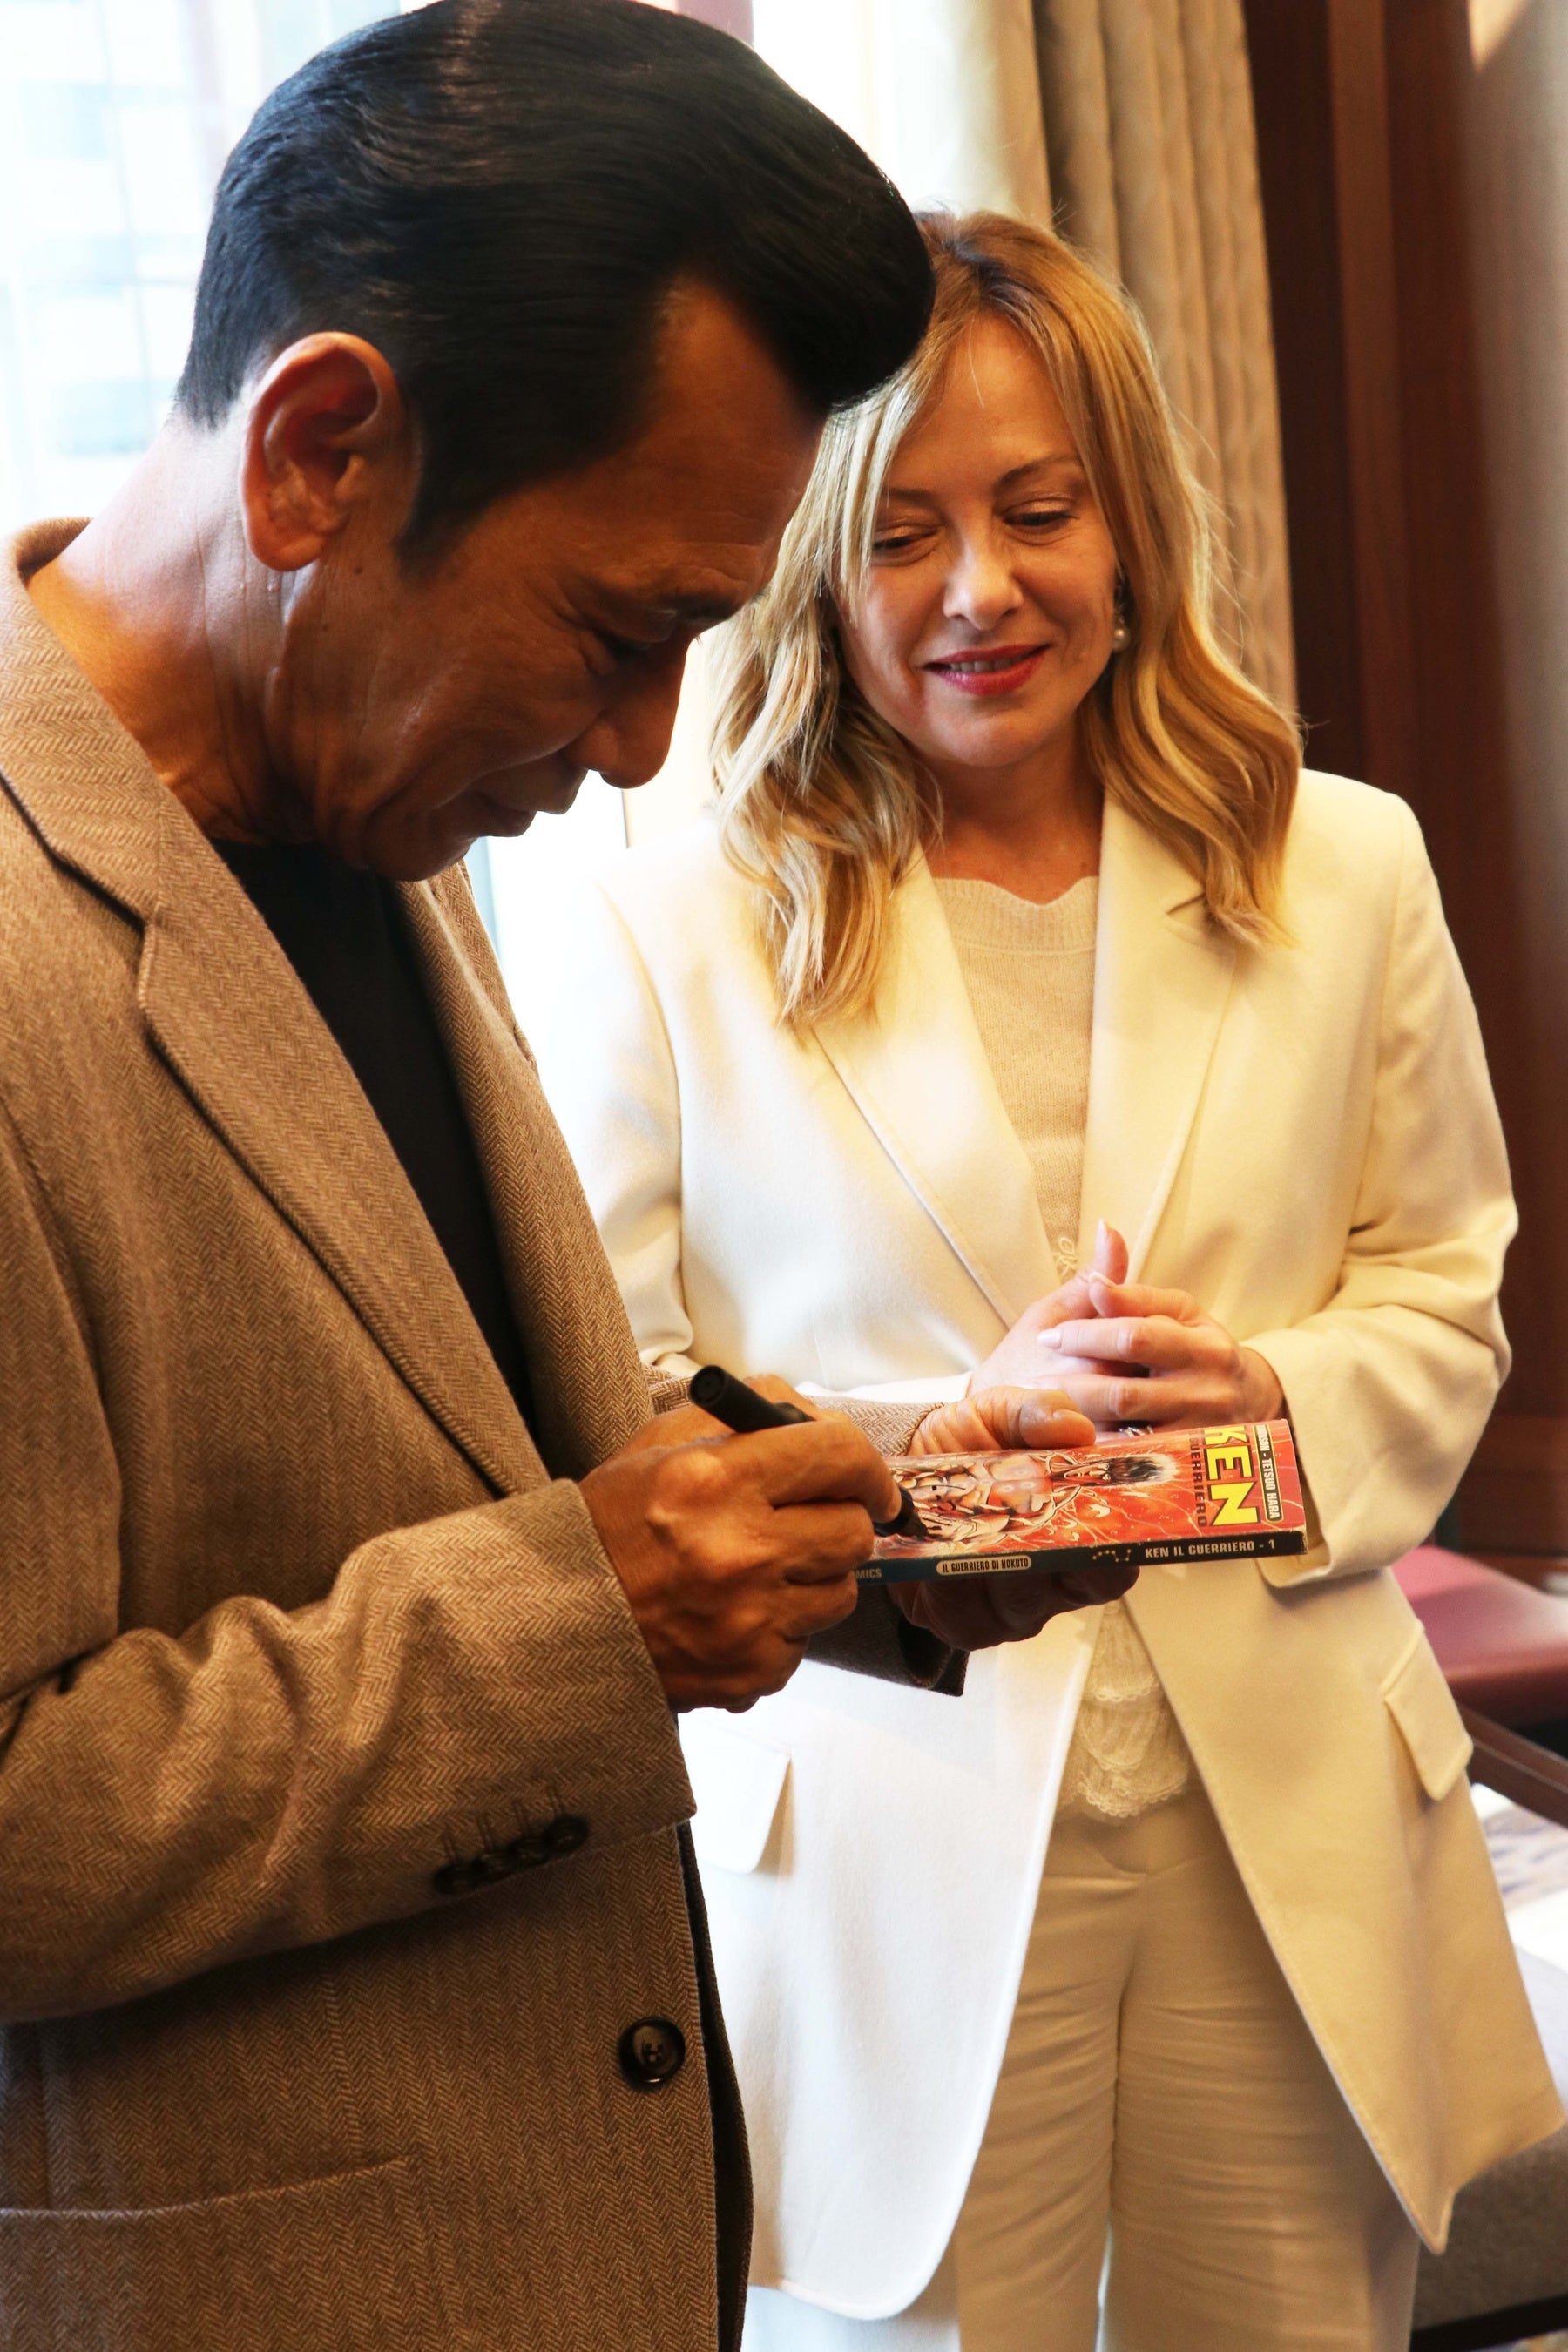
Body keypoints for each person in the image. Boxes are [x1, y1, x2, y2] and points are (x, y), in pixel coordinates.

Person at [0, 28, 1123, 2349]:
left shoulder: (368, 799)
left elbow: (472, 1448)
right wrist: (577, 1627)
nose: (636, 748)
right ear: (320, 454)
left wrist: (891, 1510)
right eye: (622, 636)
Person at [519, 213, 1563, 2351]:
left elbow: (1443, 1288)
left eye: (1038, 510)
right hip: (886, 1823)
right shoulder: (660, 912)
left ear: (1130, 527)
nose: (981, 589)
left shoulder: (1344, 860)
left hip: (1286, 1821)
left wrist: (1270, 1408)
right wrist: (954, 1447)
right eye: (902, 532)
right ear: (812, 565)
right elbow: (609, 1386)